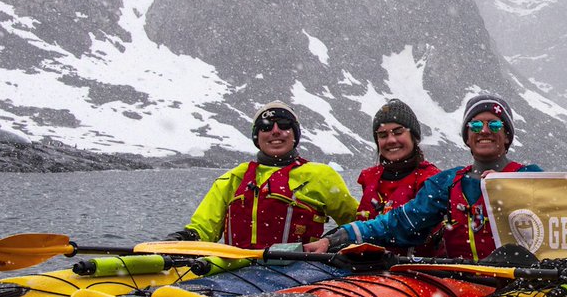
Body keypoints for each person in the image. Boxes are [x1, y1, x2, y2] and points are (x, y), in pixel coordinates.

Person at [305, 94, 542, 261]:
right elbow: (400, 222)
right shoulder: (447, 183)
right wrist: (338, 237)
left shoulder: (531, 177)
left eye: (495, 124)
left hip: (519, 284)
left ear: (507, 135)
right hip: (463, 287)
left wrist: (513, 188)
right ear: (467, 137)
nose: (485, 131)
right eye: (476, 124)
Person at [166, 102, 359, 248]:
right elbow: (203, 229)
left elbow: (357, 223)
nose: (275, 131)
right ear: (257, 137)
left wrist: (332, 241)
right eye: (266, 127)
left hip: (302, 271)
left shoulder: (321, 176)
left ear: (294, 135)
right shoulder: (233, 178)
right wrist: (180, 239)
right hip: (238, 271)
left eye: (283, 125)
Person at [355, 99, 443, 256]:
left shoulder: (431, 180)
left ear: (414, 137)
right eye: (383, 135)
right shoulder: (369, 179)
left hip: (414, 271)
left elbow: (410, 227)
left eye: (398, 132)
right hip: (368, 268)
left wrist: (351, 233)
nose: (391, 140)